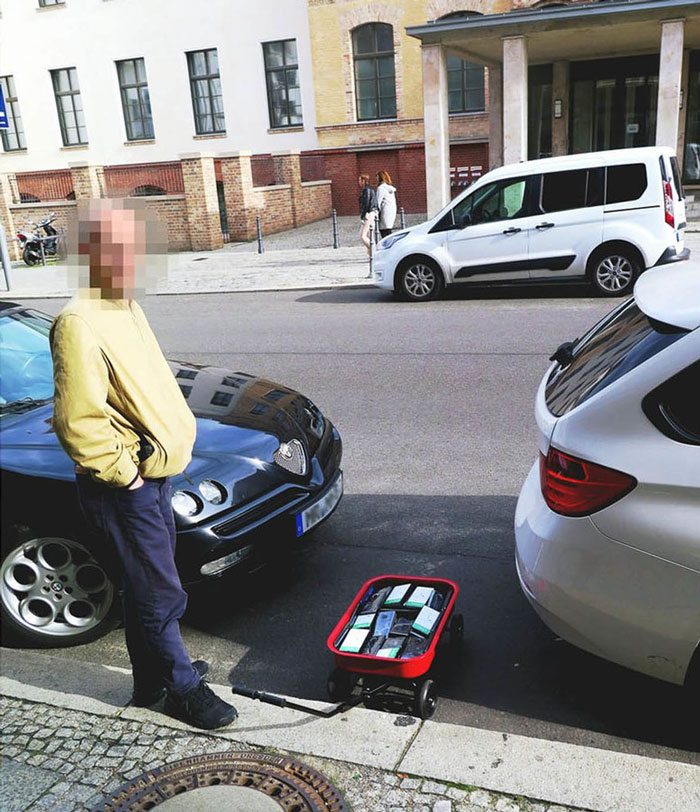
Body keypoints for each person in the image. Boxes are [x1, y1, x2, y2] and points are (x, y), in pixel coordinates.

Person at [50, 199, 238, 731]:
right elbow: (79, 422)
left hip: (153, 475)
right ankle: (181, 687)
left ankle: (148, 683)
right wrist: (126, 474)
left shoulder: (125, 306)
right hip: (123, 485)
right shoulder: (78, 321)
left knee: (145, 584)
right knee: (161, 589)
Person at [358, 174, 378, 253]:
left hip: (369, 213)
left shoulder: (366, 190)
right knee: (369, 236)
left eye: (360, 180)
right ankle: (371, 255)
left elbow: (366, 203)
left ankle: (374, 251)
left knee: (362, 236)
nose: (359, 182)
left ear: (363, 181)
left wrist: (363, 215)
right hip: (371, 212)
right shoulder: (369, 189)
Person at [376, 171, 397, 238]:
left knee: (384, 232)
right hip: (391, 211)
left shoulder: (381, 188)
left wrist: (375, 211)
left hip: (384, 211)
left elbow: (378, 201)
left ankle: (389, 247)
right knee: (388, 230)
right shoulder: (390, 188)